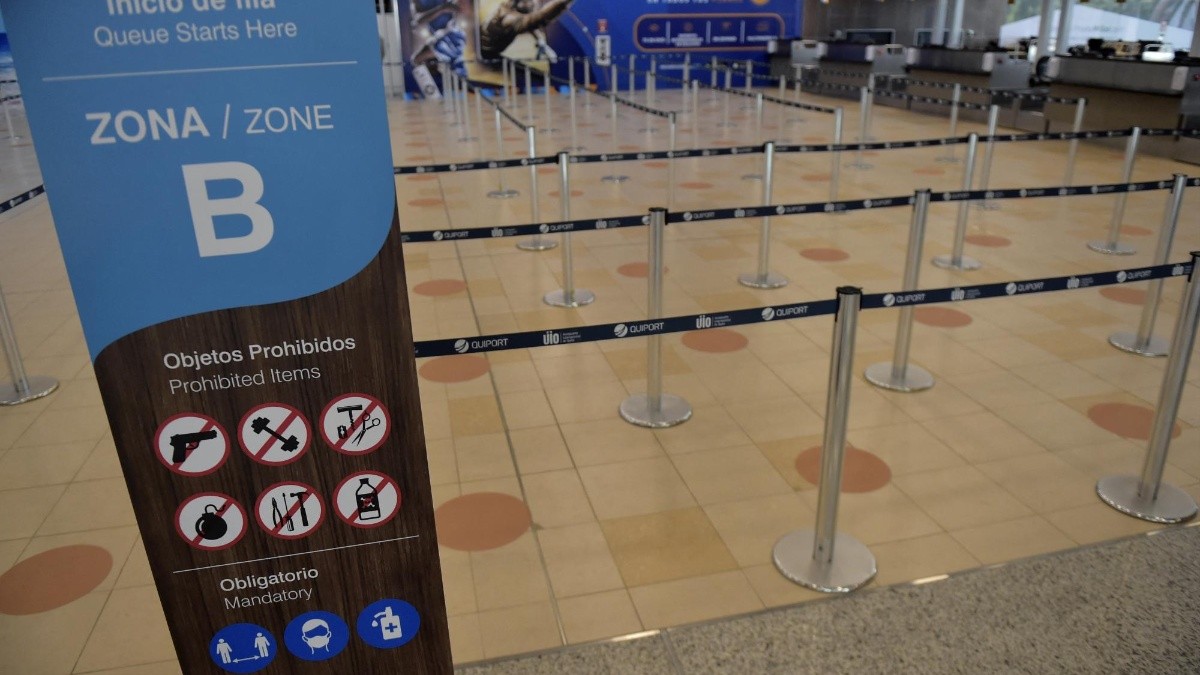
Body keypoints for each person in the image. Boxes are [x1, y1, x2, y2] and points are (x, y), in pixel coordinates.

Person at [479, 0, 575, 62]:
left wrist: (541, 42)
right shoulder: (510, 19)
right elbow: (540, 17)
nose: (534, 3)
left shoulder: (507, 9)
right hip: (486, 54)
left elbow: (530, 24)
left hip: (488, 51)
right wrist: (563, 3)